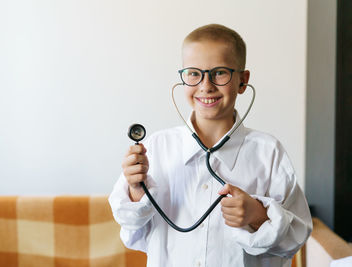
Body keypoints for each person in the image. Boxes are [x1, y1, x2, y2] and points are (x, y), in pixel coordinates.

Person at [109, 24, 312, 267]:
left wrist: (257, 216)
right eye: (194, 73)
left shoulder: (268, 152)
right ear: (183, 78)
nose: (206, 85)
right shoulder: (157, 148)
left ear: (242, 81)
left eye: (220, 73)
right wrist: (136, 191)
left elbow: (295, 240)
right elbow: (133, 234)